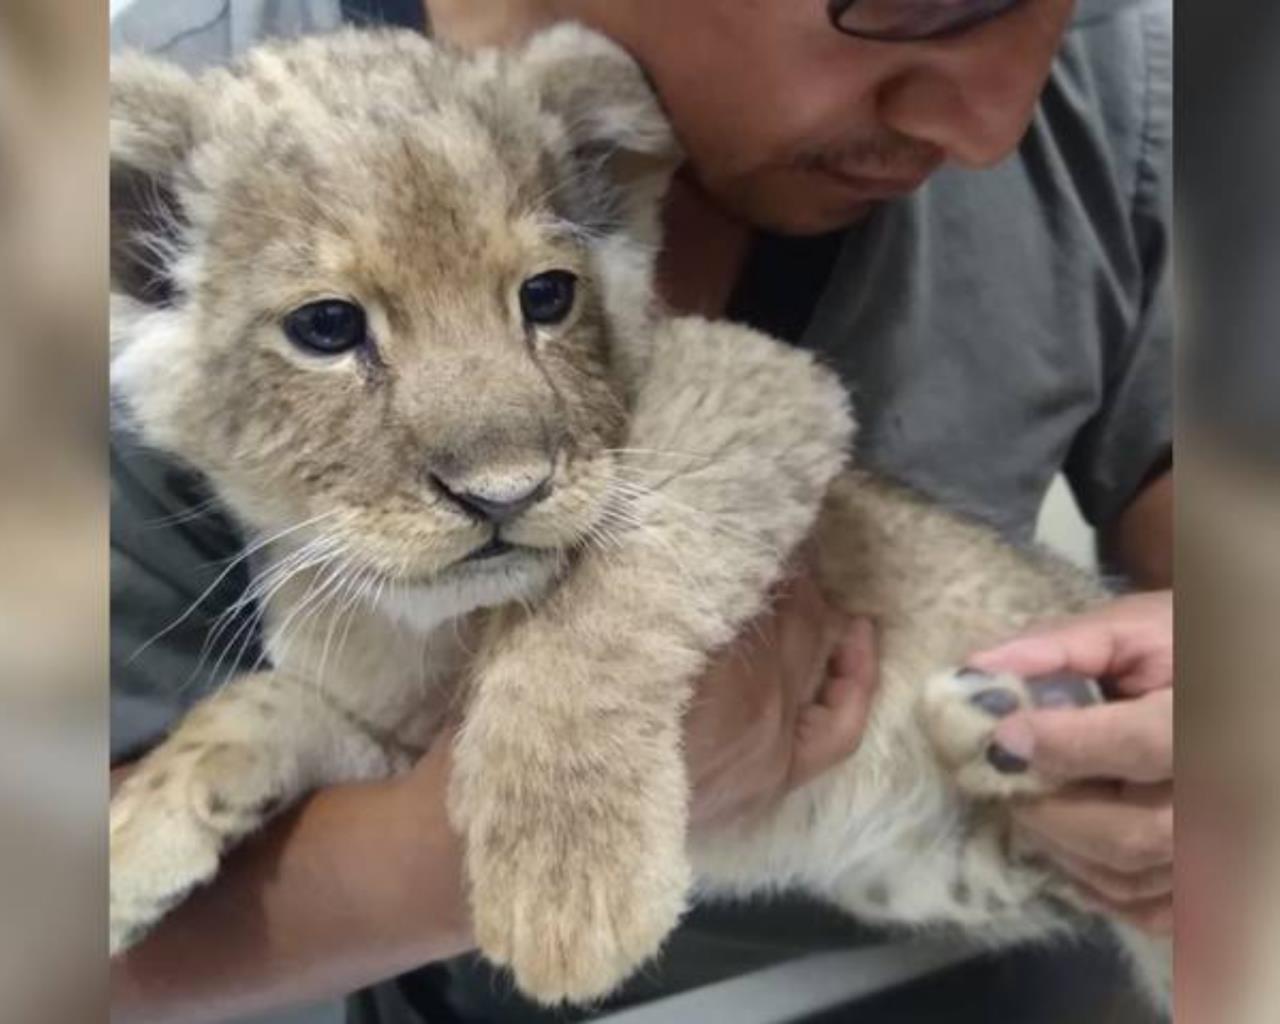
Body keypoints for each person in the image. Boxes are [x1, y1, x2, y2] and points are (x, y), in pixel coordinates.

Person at [109, 0, 1173, 1021]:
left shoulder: (1117, 76)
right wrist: (507, 817)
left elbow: (755, 401)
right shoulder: (161, 140)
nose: (991, 125)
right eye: (914, 2)